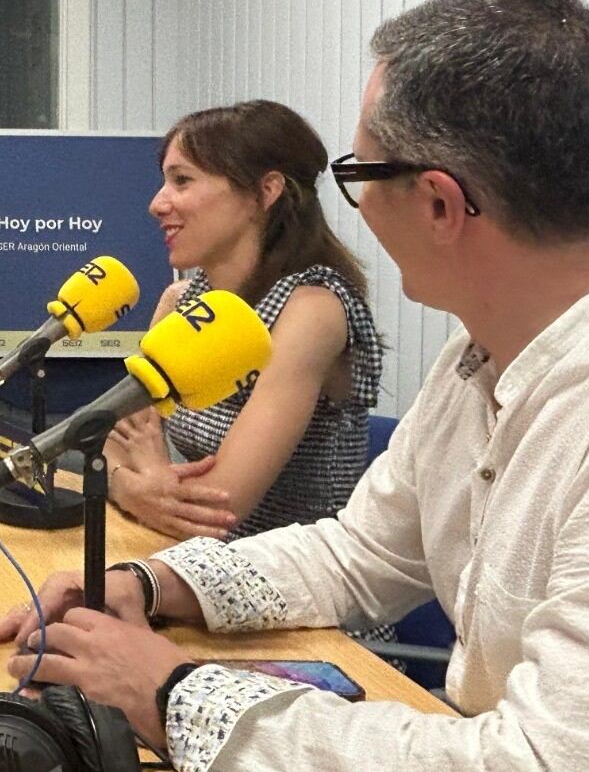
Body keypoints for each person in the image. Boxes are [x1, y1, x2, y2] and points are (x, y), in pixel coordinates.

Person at [0, 0, 589, 772]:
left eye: (359, 177)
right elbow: (360, 552)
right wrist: (152, 583)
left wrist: (176, 692)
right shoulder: (482, 353)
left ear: (440, 204)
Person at [105, 101, 383, 544]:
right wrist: (133, 485)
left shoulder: (313, 309)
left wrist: (148, 474)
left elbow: (220, 508)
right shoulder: (180, 301)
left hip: (297, 595)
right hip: (184, 562)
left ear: (265, 192)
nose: (157, 204)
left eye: (182, 180)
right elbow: (110, 438)